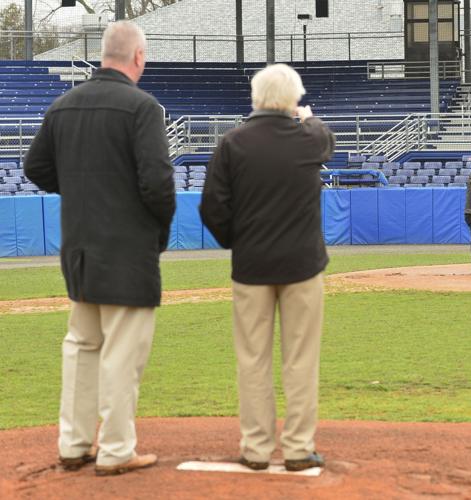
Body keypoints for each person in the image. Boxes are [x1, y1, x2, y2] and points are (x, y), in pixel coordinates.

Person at [24, 21, 175, 476]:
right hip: (128, 251)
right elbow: (158, 183)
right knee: (121, 354)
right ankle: (115, 450)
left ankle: (73, 444)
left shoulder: (63, 105)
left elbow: (35, 167)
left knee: (81, 347)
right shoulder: (142, 107)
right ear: (138, 58)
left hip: (79, 248)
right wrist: (157, 231)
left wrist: (77, 190)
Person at [200, 63, 334, 472]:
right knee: (300, 360)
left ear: (255, 97)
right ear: (292, 99)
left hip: (252, 266)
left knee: (252, 360)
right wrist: (306, 116)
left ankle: (256, 448)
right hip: (302, 266)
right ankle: (297, 447)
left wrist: (237, 242)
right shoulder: (308, 139)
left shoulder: (233, 142)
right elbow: (323, 137)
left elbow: (212, 208)